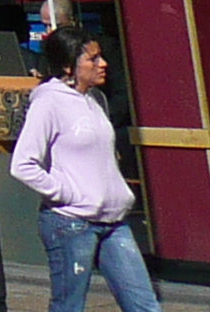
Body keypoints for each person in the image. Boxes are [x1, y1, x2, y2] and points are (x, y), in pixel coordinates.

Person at [13, 27, 160, 312]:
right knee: (69, 306)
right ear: (69, 66)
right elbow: (23, 164)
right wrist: (67, 191)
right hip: (71, 223)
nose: (102, 64)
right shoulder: (47, 102)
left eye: (101, 57)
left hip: (113, 221)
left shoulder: (95, 99)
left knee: (145, 305)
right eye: (92, 59)